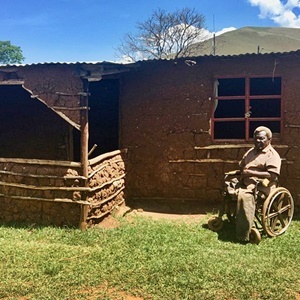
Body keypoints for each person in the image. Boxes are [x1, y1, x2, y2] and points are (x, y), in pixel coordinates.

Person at [226, 126, 281, 242]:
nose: (258, 141)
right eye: (256, 138)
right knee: (228, 185)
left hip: (263, 185)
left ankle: (243, 234)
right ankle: (238, 219)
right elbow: (242, 167)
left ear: (269, 140)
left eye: (261, 139)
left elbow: (273, 176)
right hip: (246, 181)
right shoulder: (251, 152)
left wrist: (250, 172)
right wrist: (239, 172)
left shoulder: (272, 155)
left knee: (245, 196)